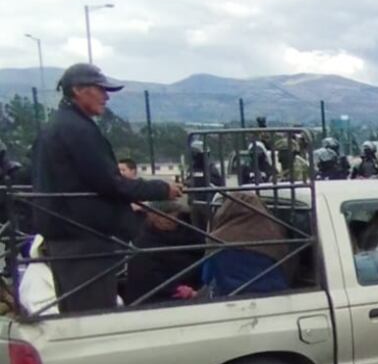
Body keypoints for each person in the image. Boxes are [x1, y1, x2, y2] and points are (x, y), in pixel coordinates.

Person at [32, 63, 182, 314]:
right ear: (78, 90)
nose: (106, 96)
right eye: (100, 89)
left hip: (65, 236)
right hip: (84, 240)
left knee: (74, 315)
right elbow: (110, 182)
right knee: (94, 318)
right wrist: (161, 189)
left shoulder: (55, 126)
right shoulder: (78, 130)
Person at [201, 192, 288, 297]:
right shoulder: (275, 234)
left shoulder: (217, 238)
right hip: (275, 295)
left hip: (230, 298)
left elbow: (206, 276)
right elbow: (288, 267)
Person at [124, 198, 204, 305]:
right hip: (158, 300)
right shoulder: (144, 242)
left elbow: (202, 256)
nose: (170, 218)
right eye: (165, 214)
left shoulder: (190, 234)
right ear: (153, 216)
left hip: (197, 291)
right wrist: (178, 290)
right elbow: (146, 277)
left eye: (173, 213)